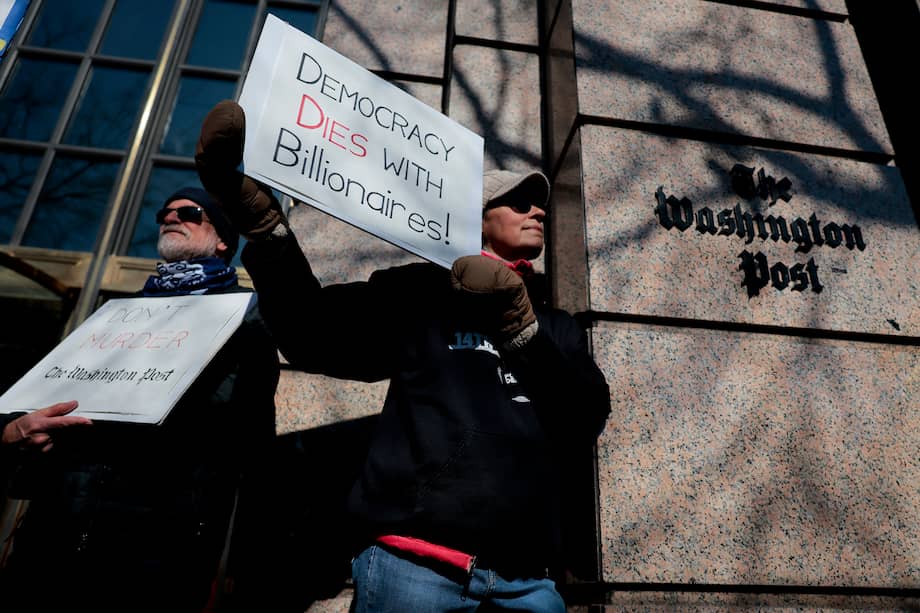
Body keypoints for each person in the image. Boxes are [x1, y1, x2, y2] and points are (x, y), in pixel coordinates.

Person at [196, 100, 611, 611]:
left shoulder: (556, 326)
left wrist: (523, 328)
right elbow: (312, 332)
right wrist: (267, 233)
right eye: (520, 201)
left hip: (529, 582)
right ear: (477, 221)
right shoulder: (424, 295)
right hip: (414, 569)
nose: (539, 211)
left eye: (539, 204)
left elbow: (587, 415)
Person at [0, 187, 279, 612]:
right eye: (164, 213)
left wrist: (241, 570)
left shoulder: (247, 320)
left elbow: (252, 443)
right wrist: (12, 431)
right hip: (54, 532)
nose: (170, 217)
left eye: (189, 212)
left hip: (157, 546)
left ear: (223, 239)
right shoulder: (113, 317)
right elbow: (44, 399)